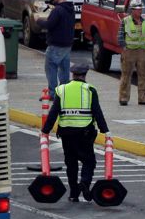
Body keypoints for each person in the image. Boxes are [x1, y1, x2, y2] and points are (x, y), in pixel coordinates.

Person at [43, 62, 110, 202]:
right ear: (85, 75)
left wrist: (46, 130)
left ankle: (73, 193)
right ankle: (85, 183)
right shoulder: (90, 90)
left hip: (66, 133)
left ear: (72, 75)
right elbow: (97, 112)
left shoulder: (62, 89)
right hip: (84, 132)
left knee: (71, 163)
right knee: (89, 161)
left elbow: (53, 112)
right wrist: (105, 131)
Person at [117, 1, 145, 106]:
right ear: (132, 10)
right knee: (126, 75)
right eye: (137, 9)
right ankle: (123, 97)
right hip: (129, 51)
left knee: (143, 75)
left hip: (143, 51)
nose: (140, 10)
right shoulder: (126, 21)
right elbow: (120, 36)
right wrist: (124, 48)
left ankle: (143, 98)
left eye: (140, 8)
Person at [43, 0, 74, 94]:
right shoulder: (70, 8)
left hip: (56, 44)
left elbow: (49, 24)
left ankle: (53, 93)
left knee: (51, 68)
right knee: (64, 69)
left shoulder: (58, 10)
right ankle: (64, 92)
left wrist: (38, 21)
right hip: (67, 44)